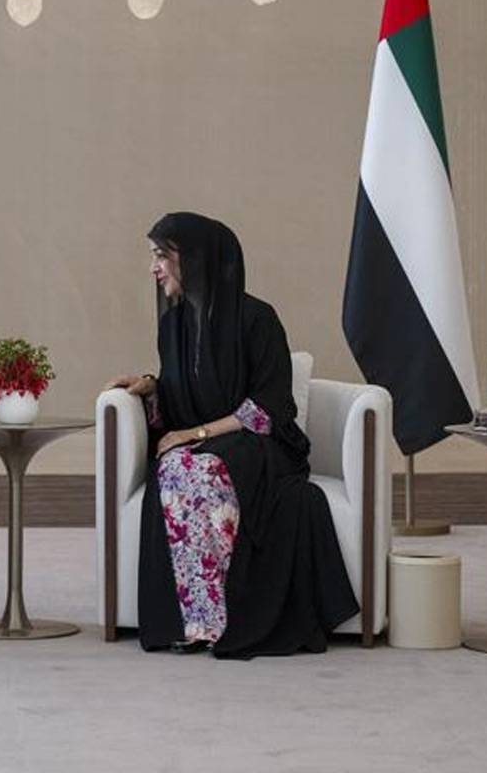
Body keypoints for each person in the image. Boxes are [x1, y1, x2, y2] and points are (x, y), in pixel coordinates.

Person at [105, 212, 358, 658]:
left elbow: (268, 407)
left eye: (161, 256)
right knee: (178, 467)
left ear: (195, 259)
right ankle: (193, 621)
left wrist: (194, 433)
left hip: (260, 444)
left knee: (201, 470)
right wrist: (150, 387)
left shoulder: (257, 319)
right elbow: (182, 392)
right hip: (204, 444)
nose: (154, 268)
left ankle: (221, 619)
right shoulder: (174, 326)